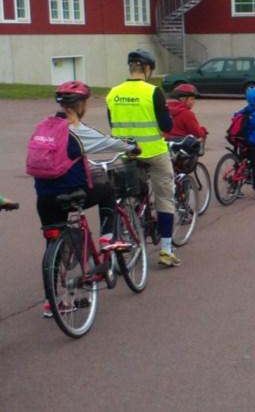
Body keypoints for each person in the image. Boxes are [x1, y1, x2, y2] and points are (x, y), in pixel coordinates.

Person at [33, 81, 137, 317]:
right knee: (108, 192)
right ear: (80, 104)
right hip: (73, 191)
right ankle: (107, 239)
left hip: (44, 196)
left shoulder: (45, 125)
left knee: (52, 245)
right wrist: (132, 147)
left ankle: (53, 301)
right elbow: (108, 142)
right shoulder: (76, 129)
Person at [106, 49, 179, 268]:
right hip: (154, 152)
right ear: (147, 69)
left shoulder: (113, 93)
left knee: (129, 197)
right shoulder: (153, 92)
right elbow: (166, 126)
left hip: (126, 152)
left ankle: (131, 228)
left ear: (131, 68)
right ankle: (166, 250)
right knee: (165, 196)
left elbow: (113, 125)